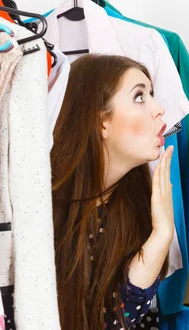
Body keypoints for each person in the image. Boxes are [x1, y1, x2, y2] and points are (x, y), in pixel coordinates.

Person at [51, 54, 174, 330]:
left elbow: (118, 322)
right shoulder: (36, 207)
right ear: (100, 122)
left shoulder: (135, 210)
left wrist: (161, 236)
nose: (159, 110)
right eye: (140, 97)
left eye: (152, 95)